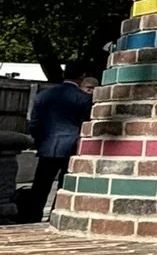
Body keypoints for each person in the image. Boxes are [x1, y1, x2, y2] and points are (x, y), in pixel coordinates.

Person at [18, 68, 98, 223]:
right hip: (71, 146)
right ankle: (56, 215)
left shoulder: (44, 96)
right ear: (81, 77)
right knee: (64, 184)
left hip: (47, 145)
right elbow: (86, 123)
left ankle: (32, 216)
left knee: (40, 185)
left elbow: (34, 123)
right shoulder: (83, 98)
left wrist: (40, 140)